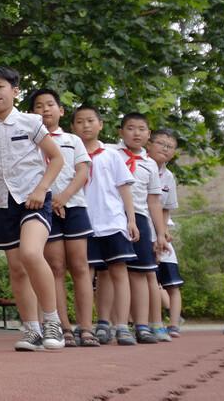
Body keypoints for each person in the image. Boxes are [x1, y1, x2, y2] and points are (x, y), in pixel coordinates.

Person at [0, 67, 65, 352]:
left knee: (32, 254)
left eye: (1, 86)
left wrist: (41, 189)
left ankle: (53, 322)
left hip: (33, 199)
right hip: (3, 203)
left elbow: (56, 159)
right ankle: (31, 330)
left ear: (15, 91)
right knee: (17, 269)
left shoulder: (31, 123)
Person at [29, 88, 95, 347]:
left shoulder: (72, 140)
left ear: (61, 110)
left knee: (80, 267)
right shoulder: (29, 141)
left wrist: (64, 197)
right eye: (38, 106)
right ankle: (63, 327)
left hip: (74, 206)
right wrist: (49, 198)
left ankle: (86, 328)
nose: (45, 109)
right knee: (55, 267)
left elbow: (82, 172)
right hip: (44, 209)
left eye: (50, 105)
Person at [73, 105, 138, 347]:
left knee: (118, 273)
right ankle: (91, 325)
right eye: (80, 121)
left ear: (100, 125)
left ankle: (121, 325)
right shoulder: (70, 155)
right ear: (72, 127)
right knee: (86, 275)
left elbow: (124, 188)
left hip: (112, 222)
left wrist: (130, 219)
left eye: (91, 120)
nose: (86, 125)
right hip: (84, 225)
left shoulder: (112, 156)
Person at [113, 113, 168, 344]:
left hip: (141, 220)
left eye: (142, 129)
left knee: (141, 273)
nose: (136, 133)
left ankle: (142, 325)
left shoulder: (150, 166)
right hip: (114, 218)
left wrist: (160, 234)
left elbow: (153, 202)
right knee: (113, 272)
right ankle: (116, 325)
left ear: (148, 134)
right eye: (131, 128)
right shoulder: (111, 155)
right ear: (120, 132)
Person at [149, 129, 183, 338]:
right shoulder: (136, 165)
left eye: (170, 147)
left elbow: (166, 208)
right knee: (147, 278)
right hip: (141, 229)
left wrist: (163, 232)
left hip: (161, 232)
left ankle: (174, 323)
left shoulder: (168, 176)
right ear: (149, 144)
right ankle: (151, 322)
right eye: (161, 143)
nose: (165, 149)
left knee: (170, 281)